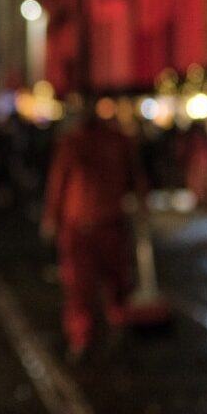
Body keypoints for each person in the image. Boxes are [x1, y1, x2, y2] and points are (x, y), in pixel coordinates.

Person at [40, 112, 148, 362]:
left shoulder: (77, 142)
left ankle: (88, 336)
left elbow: (59, 183)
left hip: (87, 224)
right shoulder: (109, 141)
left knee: (87, 285)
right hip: (95, 223)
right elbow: (136, 177)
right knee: (101, 283)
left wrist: (51, 219)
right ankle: (95, 333)